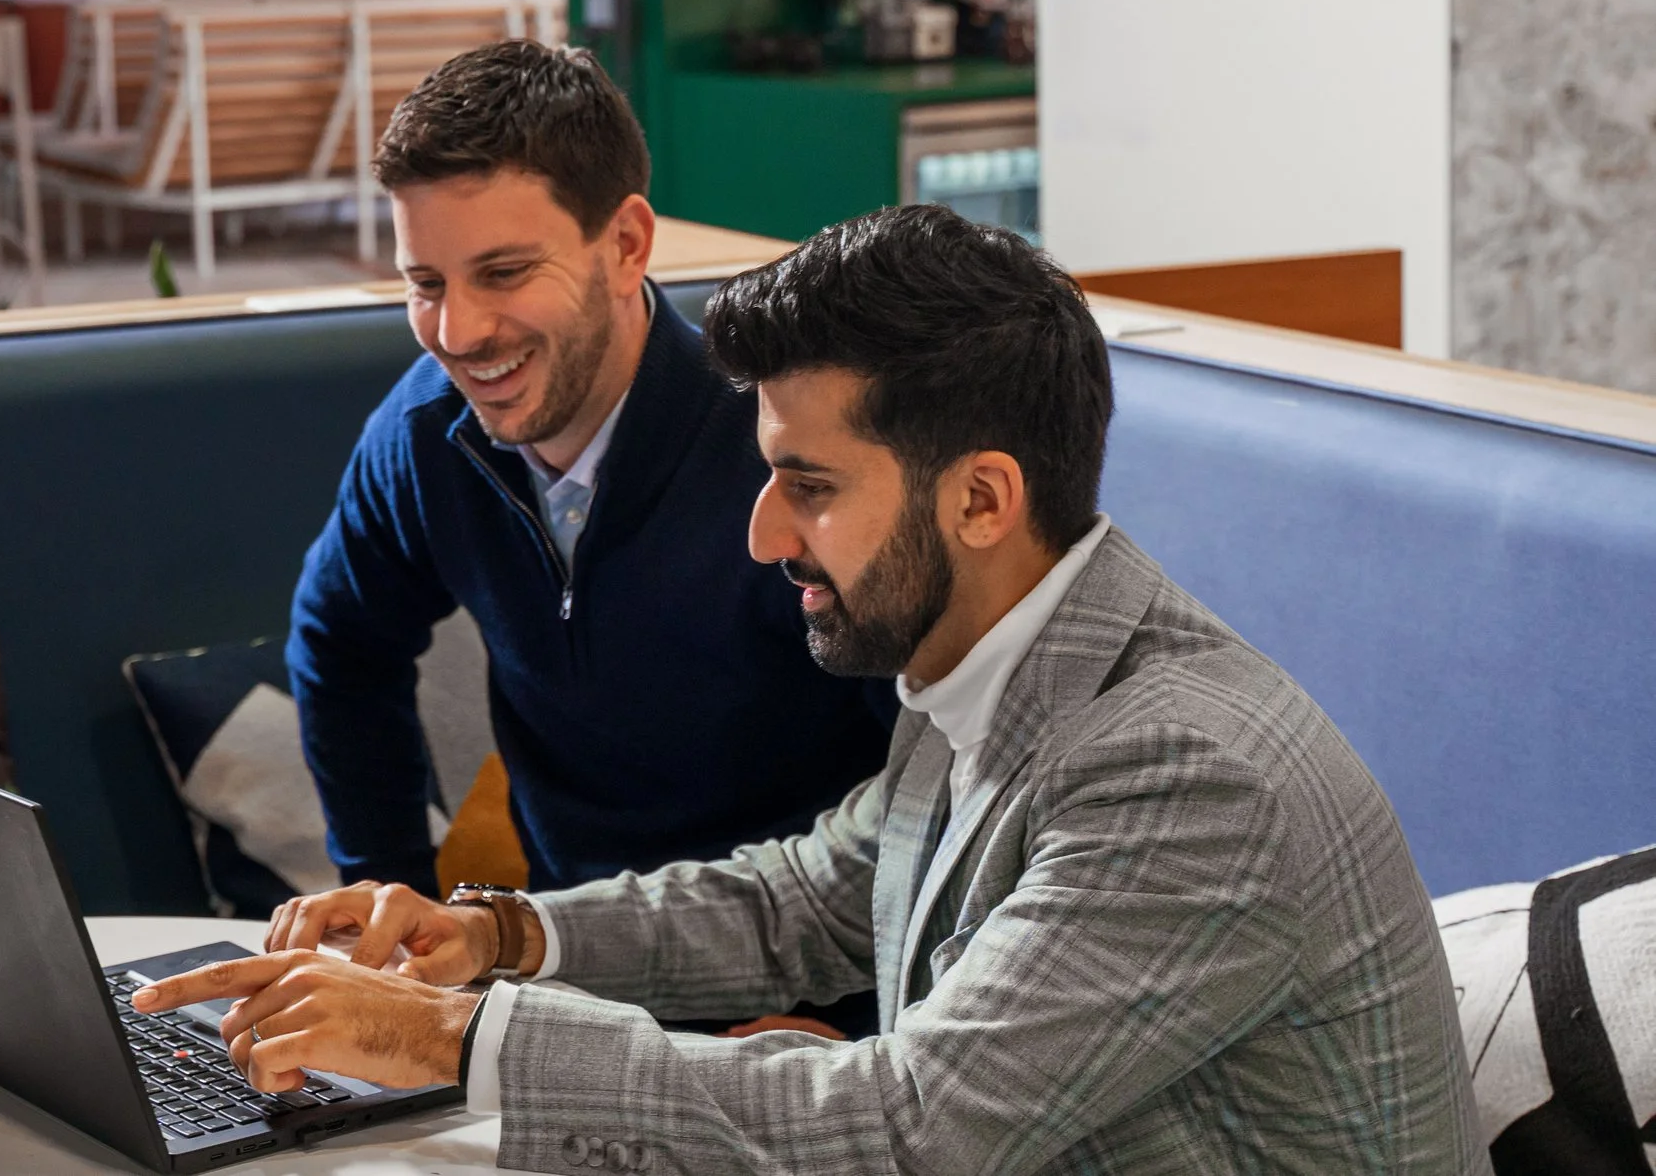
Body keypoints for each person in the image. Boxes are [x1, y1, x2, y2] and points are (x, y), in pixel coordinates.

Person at [142, 205, 1488, 1175]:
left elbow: (910, 1126)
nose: (763, 537)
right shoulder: (977, 674)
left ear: (981, 498)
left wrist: (458, 1037)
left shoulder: (1186, 775)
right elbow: (811, 898)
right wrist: (493, 938)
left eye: (812, 486)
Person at [286, 40, 893, 917]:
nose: (458, 331)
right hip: (563, 954)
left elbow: (933, 765)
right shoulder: (426, 433)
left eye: (503, 273)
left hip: (798, 977)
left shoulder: (787, 448)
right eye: (426, 283)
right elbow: (339, 643)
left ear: (626, 246)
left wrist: (850, 1017)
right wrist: (392, 897)